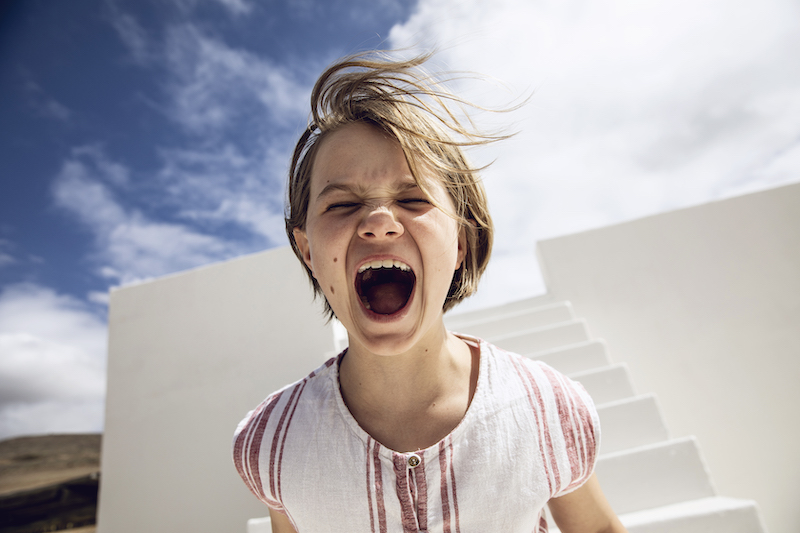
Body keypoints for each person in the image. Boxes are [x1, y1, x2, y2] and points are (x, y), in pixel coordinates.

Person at [233, 51, 627, 533]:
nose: (378, 222)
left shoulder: (548, 407)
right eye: (343, 204)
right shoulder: (273, 442)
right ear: (308, 250)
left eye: (413, 199)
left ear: (460, 241)